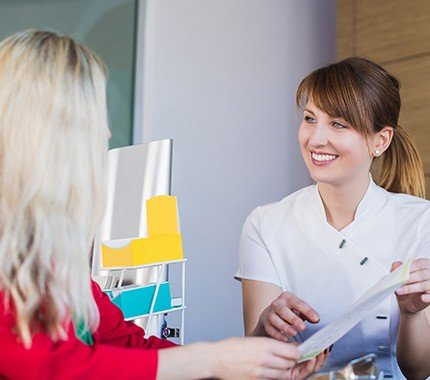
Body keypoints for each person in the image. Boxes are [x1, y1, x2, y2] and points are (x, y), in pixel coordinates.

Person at [0, 29, 328, 380]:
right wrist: (213, 360)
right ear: (48, 132)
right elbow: (49, 365)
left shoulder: (51, 261)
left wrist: (253, 364)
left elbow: (127, 345)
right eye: (95, 118)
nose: (106, 134)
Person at [236, 57, 430, 379]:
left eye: (338, 124)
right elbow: (256, 365)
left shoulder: (420, 221)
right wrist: (268, 324)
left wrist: (412, 314)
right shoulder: (265, 225)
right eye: (310, 119)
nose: (315, 139)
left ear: (380, 141)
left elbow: (420, 368)